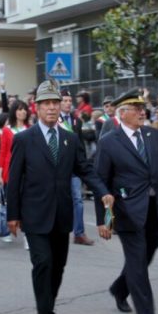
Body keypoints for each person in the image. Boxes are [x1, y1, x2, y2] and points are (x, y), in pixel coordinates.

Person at [6, 80, 112, 314]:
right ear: (37, 108)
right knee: (42, 262)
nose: (52, 108)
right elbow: (14, 179)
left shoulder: (69, 138)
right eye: (46, 104)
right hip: (34, 214)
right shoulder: (24, 139)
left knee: (58, 266)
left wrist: (102, 191)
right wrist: (13, 215)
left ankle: (47, 305)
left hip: (62, 214)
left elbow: (85, 168)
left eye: (55, 103)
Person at [94, 89, 158, 314]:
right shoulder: (109, 142)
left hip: (154, 210)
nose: (143, 112)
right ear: (122, 113)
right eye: (137, 109)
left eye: (143, 108)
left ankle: (120, 289)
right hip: (127, 211)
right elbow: (100, 181)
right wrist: (104, 220)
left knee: (145, 256)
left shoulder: (153, 136)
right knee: (137, 260)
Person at [59, 89, 94, 246]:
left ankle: (79, 233)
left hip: (73, 169)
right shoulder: (53, 120)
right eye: (64, 100)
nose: (67, 103)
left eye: (69, 100)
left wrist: (83, 165)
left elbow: (80, 146)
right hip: (58, 169)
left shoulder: (76, 121)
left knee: (78, 200)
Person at [0, 99, 29, 244]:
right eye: (19, 109)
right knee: (11, 202)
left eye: (24, 109)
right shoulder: (7, 130)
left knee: (27, 203)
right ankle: (9, 229)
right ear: (14, 111)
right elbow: (2, 153)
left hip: (28, 171)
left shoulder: (30, 129)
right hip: (10, 171)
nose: (22, 112)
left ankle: (27, 234)